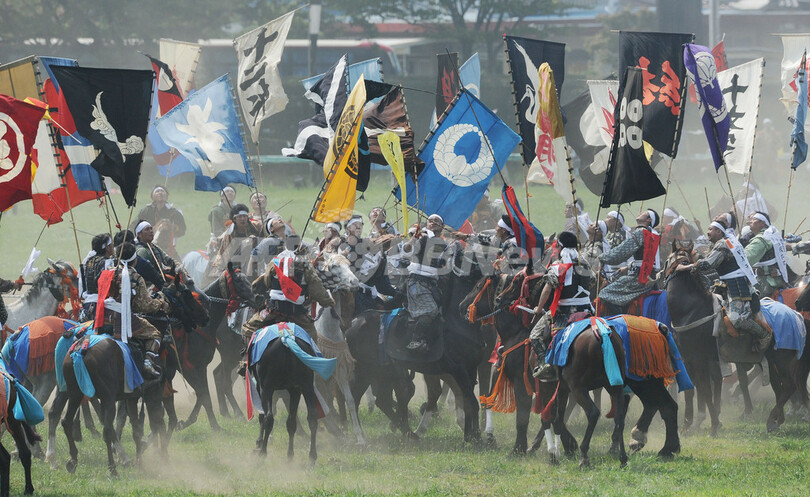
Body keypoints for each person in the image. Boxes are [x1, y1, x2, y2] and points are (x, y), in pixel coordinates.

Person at [675, 213, 771, 352]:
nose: (708, 232)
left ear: (719, 231)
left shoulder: (723, 244)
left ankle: (764, 334)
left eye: (710, 229)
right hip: (725, 283)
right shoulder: (723, 241)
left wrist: (686, 267)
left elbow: (709, 264)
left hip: (737, 285)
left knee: (737, 319)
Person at [238, 247, 335, 376]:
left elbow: (264, 281)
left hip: (273, 312)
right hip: (297, 315)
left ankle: (246, 362)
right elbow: (317, 290)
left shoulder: (275, 262)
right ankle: (313, 368)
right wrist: (328, 302)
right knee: (312, 335)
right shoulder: (307, 267)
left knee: (248, 328)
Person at [97, 243, 170, 378]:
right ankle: (148, 362)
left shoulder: (108, 272)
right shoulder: (136, 277)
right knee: (155, 334)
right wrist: (161, 304)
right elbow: (144, 305)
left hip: (103, 317)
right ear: (135, 260)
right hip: (122, 319)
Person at [530, 231, 594, 380]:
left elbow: (547, 289)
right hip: (587, 310)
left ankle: (545, 366)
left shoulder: (558, 265)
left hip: (565, 313)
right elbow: (592, 281)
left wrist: (538, 309)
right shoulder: (585, 263)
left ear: (559, 246)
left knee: (535, 336)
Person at [597, 209, 661, 315]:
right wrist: (628, 267)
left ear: (649, 220)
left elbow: (621, 252)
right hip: (648, 276)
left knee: (605, 293)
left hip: (639, 278)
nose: (640, 212)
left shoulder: (641, 232)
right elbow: (645, 259)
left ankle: (621, 321)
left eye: (644, 213)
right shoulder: (650, 234)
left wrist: (603, 257)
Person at [403, 214, 451, 351]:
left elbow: (446, 264)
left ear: (442, 227)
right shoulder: (420, 237)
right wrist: (415, 237)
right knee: (430, 311)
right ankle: (415, 340)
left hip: (433, 284)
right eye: (430, 220)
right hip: (417, 282)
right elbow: (406, 251)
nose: (433, 222)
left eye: (437, 221)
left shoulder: (445, 245)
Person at [131, 185, 186, 257]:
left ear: (166, 196)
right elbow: (134, 226)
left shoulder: (174, 212)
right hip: (146, 245)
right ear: (152, 196)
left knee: (179, 266)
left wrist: (172, 227)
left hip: (167, 247)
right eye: (157, 191)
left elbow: (182, 229)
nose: (160, 193)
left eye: (162, 191)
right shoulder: (146, 211)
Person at [745, 211, 789, 299]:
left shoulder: (762, 238)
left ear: (763, 223)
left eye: (754, 219)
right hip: (777, 281)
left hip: (765, 285)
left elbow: (745, 259)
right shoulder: (773, 236)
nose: (750, 222)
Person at [212, 204, 262, 274]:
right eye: (239, 217)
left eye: (244, 216)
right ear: (234, 219)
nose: (242, 219)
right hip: (236, 263)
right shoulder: (229, 234)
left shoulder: (256, 226)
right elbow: (225, 252)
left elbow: (265, 234)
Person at [79, 234, 114, 321]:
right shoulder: (108, 262)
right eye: (112, 245)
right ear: (107, 247)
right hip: (101, 305)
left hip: (87, 303)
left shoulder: (88, 261)